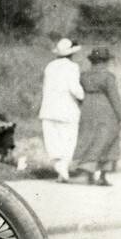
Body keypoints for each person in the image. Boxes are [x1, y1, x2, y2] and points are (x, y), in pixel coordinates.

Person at [71, 47, 121, 185]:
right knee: (108, 139)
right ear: (106, 61)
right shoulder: (108, 76)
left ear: (92, 61)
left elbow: (78, 94)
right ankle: (102, 175)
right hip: (105, 110)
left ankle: (87, 172)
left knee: (88, 138)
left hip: (87, 109)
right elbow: (114, 98)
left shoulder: (83, 76)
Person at [38, 37, 83, 183]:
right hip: (66, 109)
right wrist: (83, 96)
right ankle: (62, 168)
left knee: (53, 141)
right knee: (68, 141)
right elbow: (75, 89)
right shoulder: (72, 67)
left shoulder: (50, 66)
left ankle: (60, 168)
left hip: (49, 109)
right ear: (71, 54)